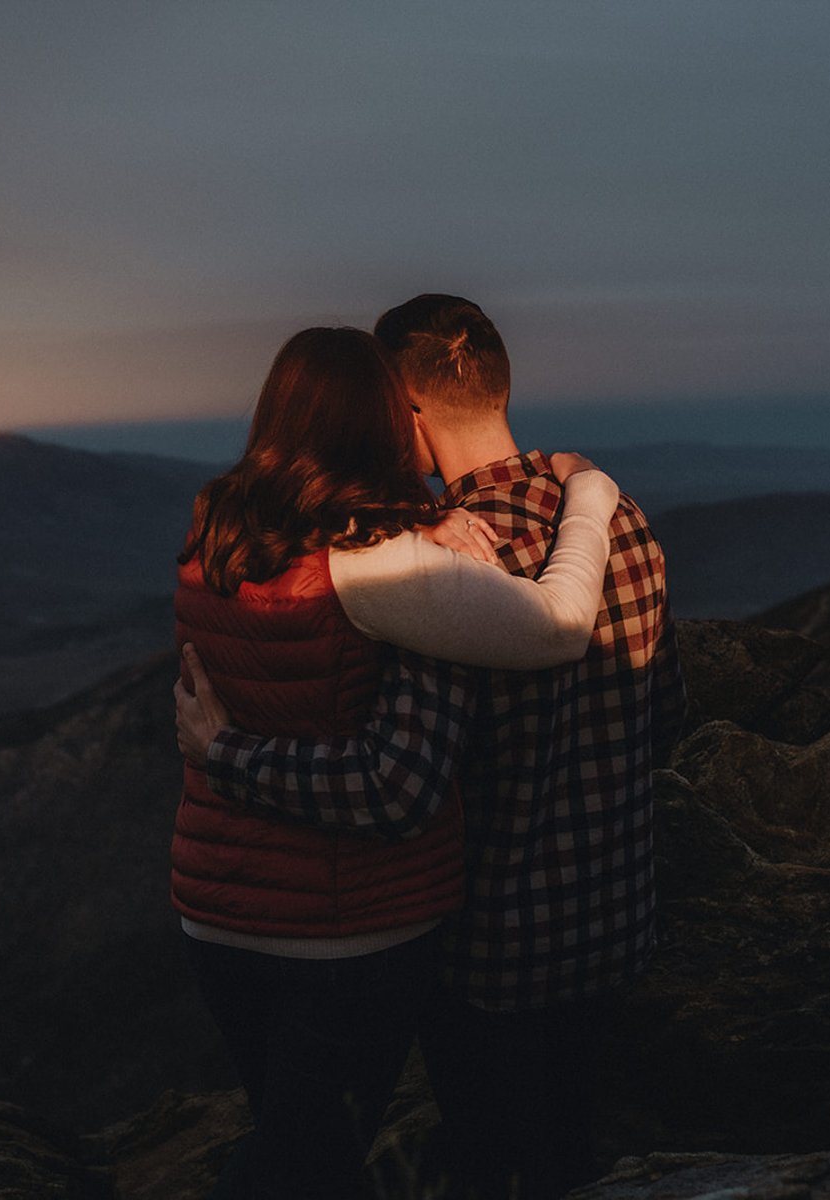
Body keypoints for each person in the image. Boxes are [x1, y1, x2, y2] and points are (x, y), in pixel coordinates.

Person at [178, 296, 680, 1199]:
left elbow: (402, 776)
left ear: (401, 412)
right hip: (615, 915)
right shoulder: (617, 521)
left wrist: (226, 753)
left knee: (482, 1163)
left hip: (486, 945)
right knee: (570, 1152)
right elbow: (663, 707)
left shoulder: (444, 561)